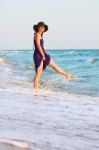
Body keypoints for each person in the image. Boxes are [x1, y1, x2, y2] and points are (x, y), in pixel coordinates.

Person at [33, 21, 75, 90]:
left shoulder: (40, 35)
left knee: (54, 66)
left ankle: (67, 74)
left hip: (43, 54)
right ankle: (35, 90)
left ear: (44, 29)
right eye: (40, 27)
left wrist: (45, 53)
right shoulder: (37, 34)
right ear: (38, 27)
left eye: (43, 27)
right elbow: (38, 46)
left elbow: (42, 46)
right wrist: (43, 55)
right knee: (38, 73)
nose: (41, 28)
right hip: (39, 55)